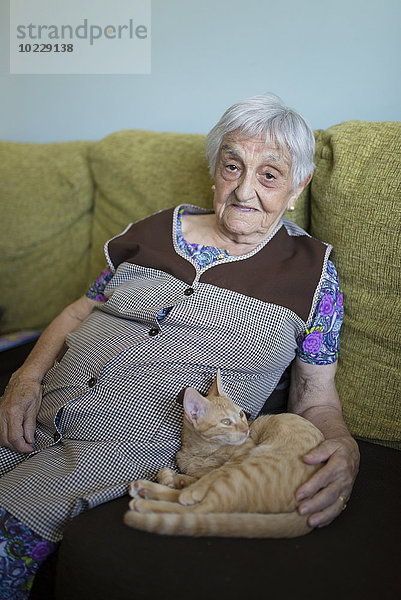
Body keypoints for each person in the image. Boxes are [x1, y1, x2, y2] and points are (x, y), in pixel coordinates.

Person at [0, 93, 360, 597]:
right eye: (233, 166)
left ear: (298, 186)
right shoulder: (155, 229)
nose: (244, 190)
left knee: (11, 521)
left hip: (119, 449)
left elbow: (316, 399)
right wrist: (26, 376)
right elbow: (81, 309)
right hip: (44, 401)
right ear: (216, 168)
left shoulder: (311, 275)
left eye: (270, 175)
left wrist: (344, 448)